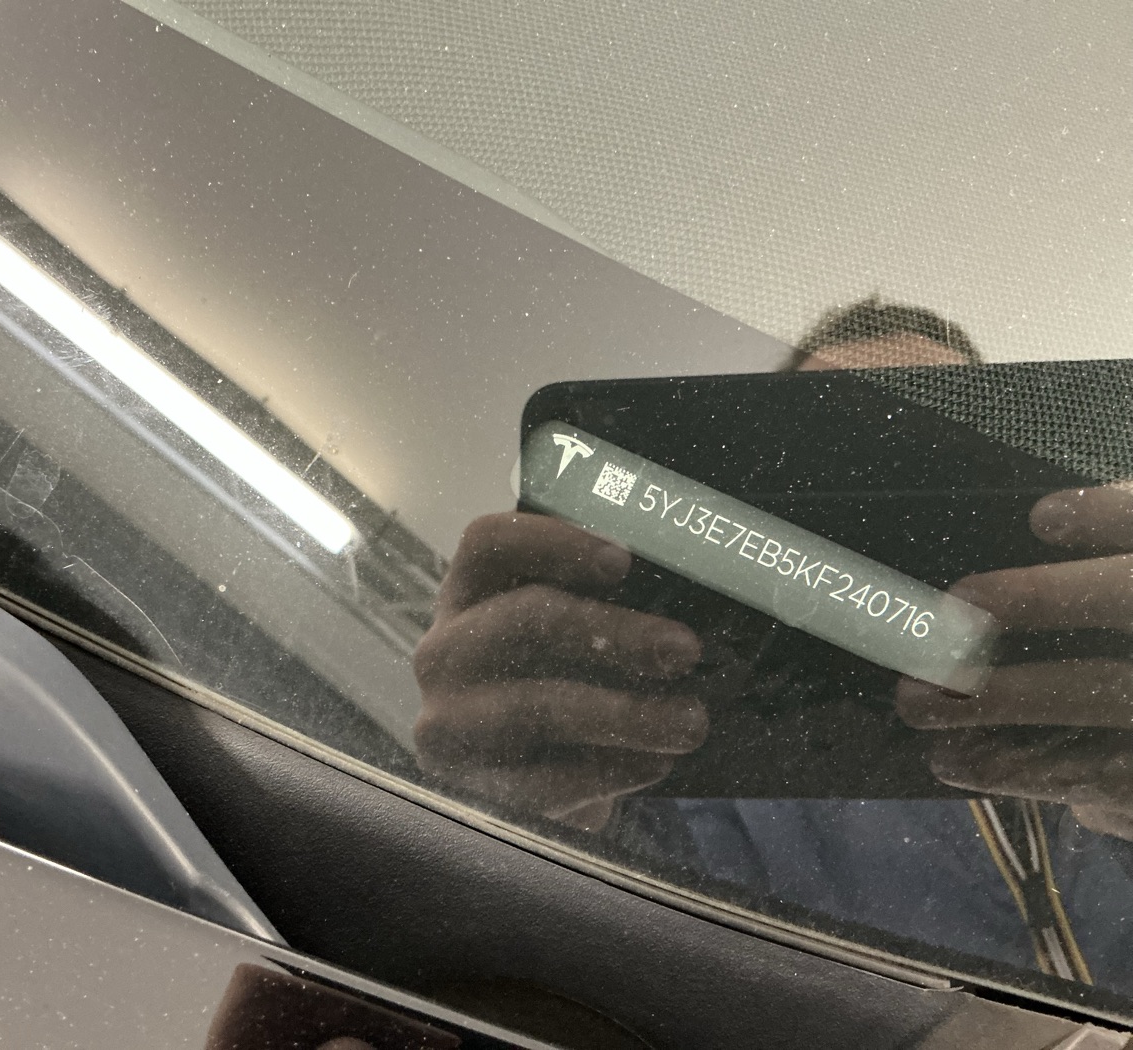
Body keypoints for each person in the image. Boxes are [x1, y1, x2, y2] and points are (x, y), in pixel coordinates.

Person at [413, 298, 1133, 992]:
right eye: (830, 456)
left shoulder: (1106, 733)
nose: (879, 509)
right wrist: (512, 828)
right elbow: (601, 959)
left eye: (932, 456)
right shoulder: (694, 754)